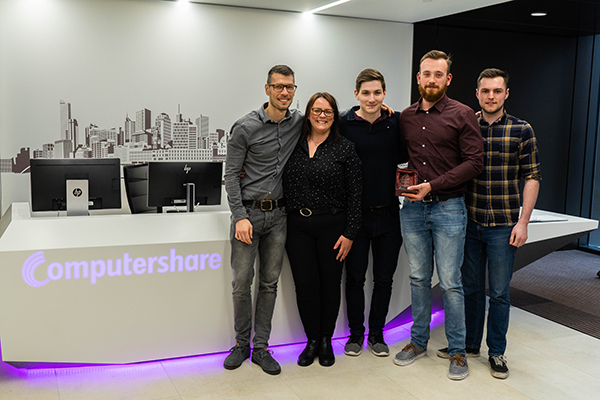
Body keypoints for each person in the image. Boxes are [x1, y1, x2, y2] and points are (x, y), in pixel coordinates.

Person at [436, 68, 541, 379]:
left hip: (503, 225)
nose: (491, 96)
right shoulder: (466, 125)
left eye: (497, 91)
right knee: (469, 288)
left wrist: (523, 222)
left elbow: (532, 177)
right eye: (485, 91)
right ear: (477, 93)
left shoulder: (522, 129)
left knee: (498, 292)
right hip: (467, 221)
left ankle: (496, 351)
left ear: (506, 93)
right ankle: (469, 345)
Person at [393, 50, 483, 381]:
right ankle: (417, 342)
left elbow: (475, 162)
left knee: (450, 282)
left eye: (438, 74)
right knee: (418, 278)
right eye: (426, 74)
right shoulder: (405, 117)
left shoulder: (462, 115)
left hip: (449, 208)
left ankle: (457, 352)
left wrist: (433, 185)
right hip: (413, 210)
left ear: (448, 79)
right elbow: (401, 157)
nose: (431, 79)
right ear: (418, 78)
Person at [223, 65, 302, 375]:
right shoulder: (245, 127)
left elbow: (330, 115)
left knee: (269, 284)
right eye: (279, 86)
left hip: (279, 217)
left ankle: (261, 348)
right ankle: (241, 344)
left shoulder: (298, 122)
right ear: (267, 89)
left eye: (290, 87)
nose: (285, 92)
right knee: (242, 283)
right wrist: (239, 216)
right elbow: (230, 175)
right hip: (249, 216)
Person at [283, 92, 362, 367]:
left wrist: (350, 233)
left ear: (335, 115)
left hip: (333, 226)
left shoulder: (345, 148)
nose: (322, 116)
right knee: (305, 286)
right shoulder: (293, 145)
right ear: (308, 113)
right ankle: (312, 340)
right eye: (317, 110)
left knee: (329, 285)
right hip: (297, 227)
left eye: (328, 111)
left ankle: (326, 340)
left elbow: (356, 195)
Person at [340, 68, 403, 357]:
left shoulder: (395, 122)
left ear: (384, 94)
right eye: (366, 92)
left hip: (389, 216)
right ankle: (355, 335)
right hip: (355, 218)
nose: (371, 98)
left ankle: (377, 335)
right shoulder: (343, 124)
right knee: (354, 279)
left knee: (384, 280)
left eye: (377, 92)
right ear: (356, 95)